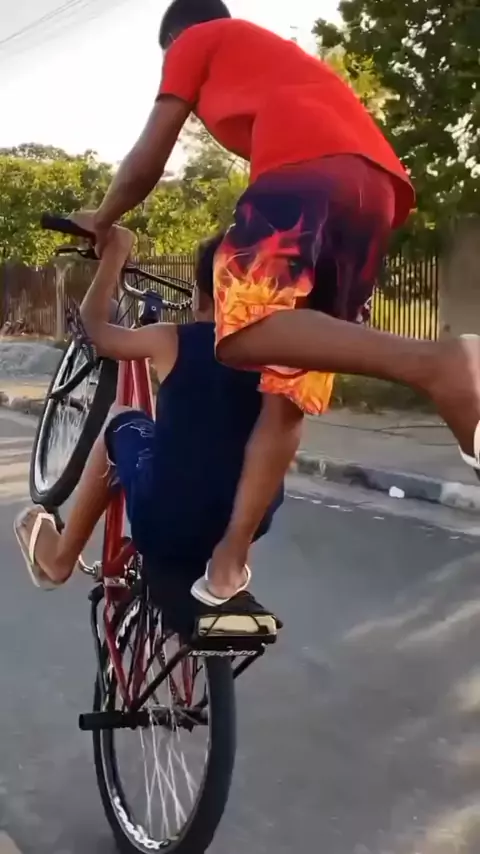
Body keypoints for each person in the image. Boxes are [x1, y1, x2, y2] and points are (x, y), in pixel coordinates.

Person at [76, 0, 480, 609]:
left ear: (176, 40)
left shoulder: (198, 39)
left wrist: (104, 219)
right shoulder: (280, 63)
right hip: (378, 192)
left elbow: (148, 157)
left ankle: (441, 364)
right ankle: (228, 563)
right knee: (288, 390)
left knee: (241, 332)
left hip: (305, 171)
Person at [14, 217, 283, 636]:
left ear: (200, 297)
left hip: (167, 515)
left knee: (122, 420)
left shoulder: (172, 338)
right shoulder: (282, 351)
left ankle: (61, 558)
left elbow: (94, 331)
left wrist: (116, 252)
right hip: (250, 519)